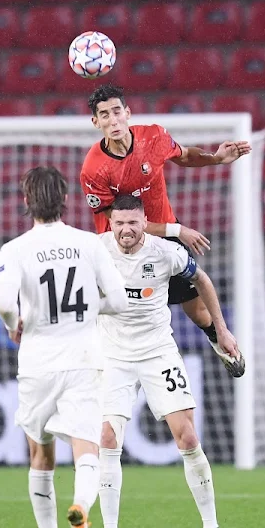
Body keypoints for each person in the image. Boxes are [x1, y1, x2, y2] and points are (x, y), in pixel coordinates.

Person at [0, 166, 127, 528]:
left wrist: (13, 323)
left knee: (40, 453)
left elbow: (3, 303)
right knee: (86, 446)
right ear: (65, 200)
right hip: (84, 357)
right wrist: (89, 309)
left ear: (26, 201)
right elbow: (119, 300)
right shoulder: (88, 244)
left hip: (37, 361)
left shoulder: (15, 249)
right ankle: (82, 511)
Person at [92, 194, 241, 528]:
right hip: (112, 354)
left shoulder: (165, 253)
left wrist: (221, 329)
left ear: (144, 222)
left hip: (158, 351)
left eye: (133, 223)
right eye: (119, 223)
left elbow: (202, 280)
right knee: (108, 438)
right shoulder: (94, 251)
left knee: (187, 436)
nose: (126, 230)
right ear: (110, 224)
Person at [79, 84, 249, 378]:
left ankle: (220, 339)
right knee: (114, 317)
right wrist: (177, 229)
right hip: (120, 248)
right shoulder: (93, 169)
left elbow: (183, 155)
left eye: (117, 111)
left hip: (164, 239)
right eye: (104, 115)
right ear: (96, 122)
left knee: (195, 310)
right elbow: (120, 222)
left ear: (127, 113)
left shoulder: (153, 137)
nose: (113, 120)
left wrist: (215, 158)